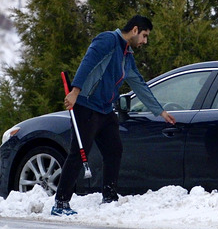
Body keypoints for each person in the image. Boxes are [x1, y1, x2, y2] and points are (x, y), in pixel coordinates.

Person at [52, 15, 177, 216]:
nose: (145, 41)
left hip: (106, 110)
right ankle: (60, 203)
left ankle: (109, 196)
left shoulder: (127, 56)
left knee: (114, 150)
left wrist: (160, 111)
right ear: (135, 30)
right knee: (78, 153)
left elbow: (139, 83)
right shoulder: (108, 40)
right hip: (87, 105)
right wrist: (75, 92)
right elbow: (88, 62)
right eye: (144, 36)